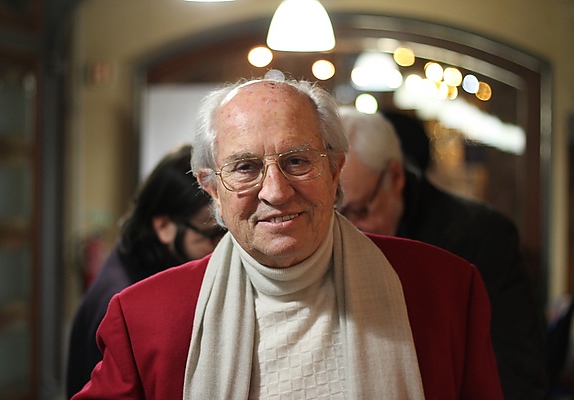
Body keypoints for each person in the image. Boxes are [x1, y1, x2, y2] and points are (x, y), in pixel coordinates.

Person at [72, 74, 503, 399]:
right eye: (245, 168)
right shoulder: (143, 318)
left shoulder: (446, 290)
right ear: (212, 189)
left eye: (297, 161)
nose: (276, 192)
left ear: (335, 171)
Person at [338, 107, 547, 399]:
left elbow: (517, 370)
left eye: (359, 211)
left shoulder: (480, 235)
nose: (347, 230)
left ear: (395, 177)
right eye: (335, 216)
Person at [66, 145, 225, 398]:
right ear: (163, 226)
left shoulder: (133, 256)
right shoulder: (126, 298)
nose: (223, 247)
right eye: (214, 234)